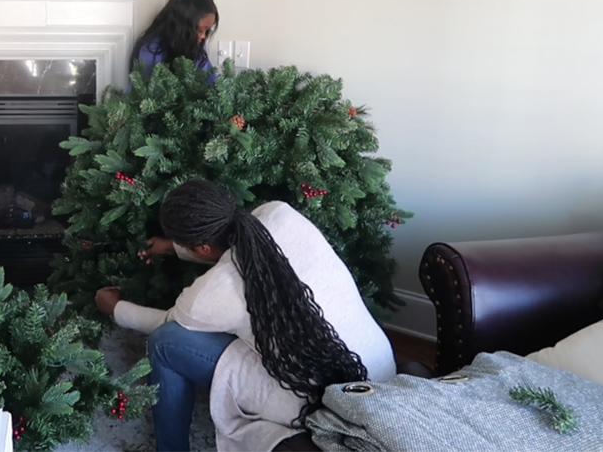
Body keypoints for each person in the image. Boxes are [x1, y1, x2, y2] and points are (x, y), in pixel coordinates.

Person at [94, 179, 396, 452]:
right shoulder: (279, 213)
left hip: (325, 401)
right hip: (378, 369)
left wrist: (116, 308)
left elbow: (169, 324)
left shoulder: (210, 294)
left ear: (201, 246)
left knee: (165, 342)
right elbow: (228, 248)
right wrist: (176, 248)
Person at [130, 0, 219, 83]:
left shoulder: (197, 46)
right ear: (183, 26)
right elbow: (141, 92)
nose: (203, 36)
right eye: (200, 30)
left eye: (207, 30)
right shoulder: (151, 51)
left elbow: (211, 82)